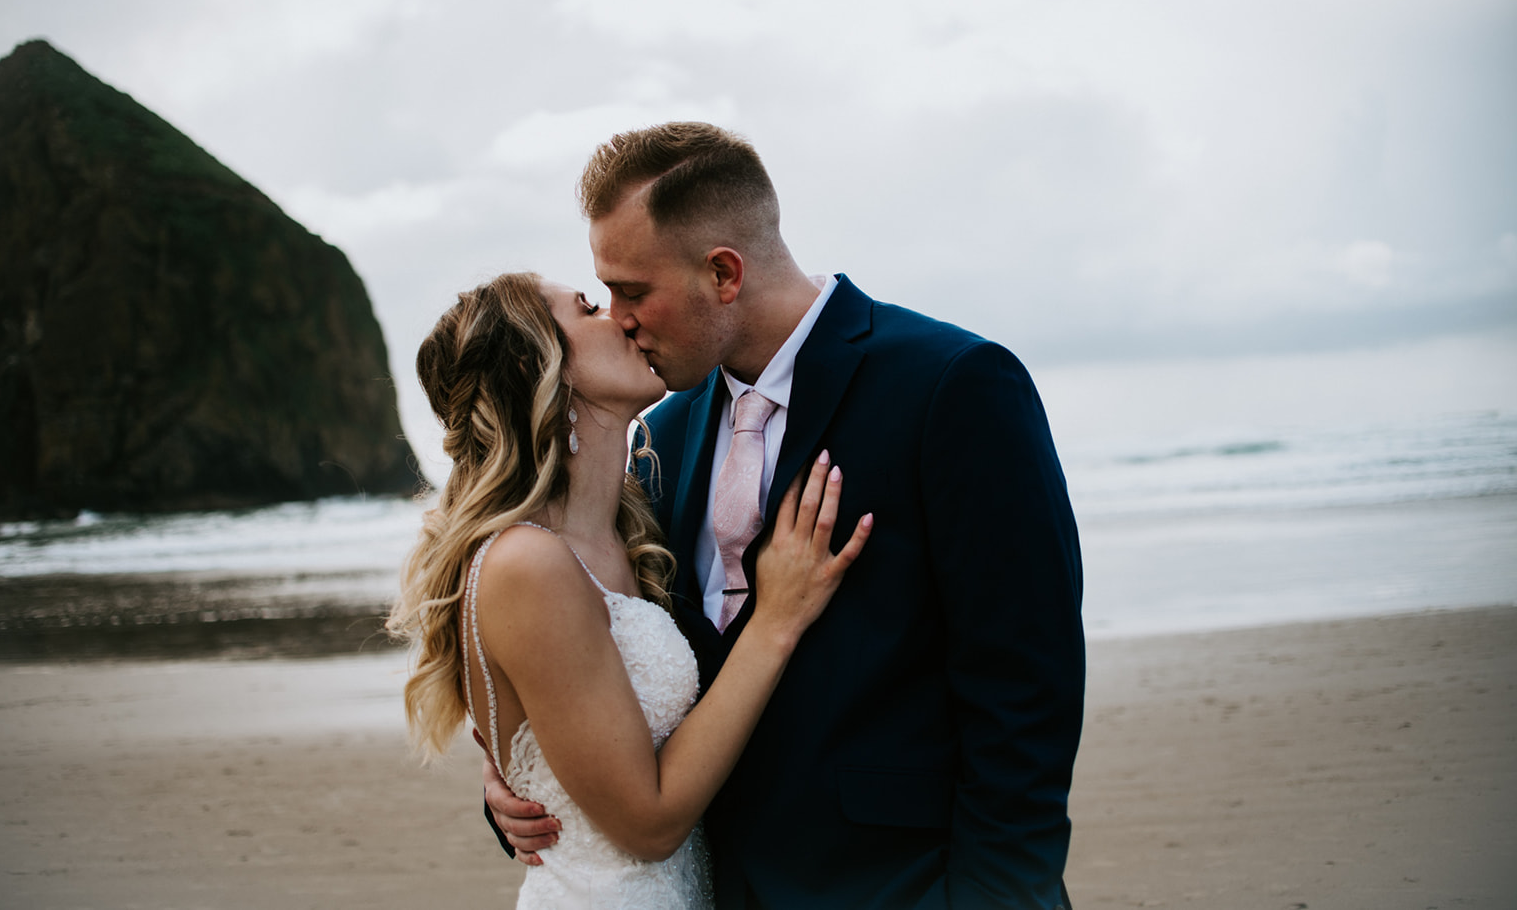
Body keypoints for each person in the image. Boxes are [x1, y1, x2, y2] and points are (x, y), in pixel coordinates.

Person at [486, 123, 1085, 908]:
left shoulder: (951, 387)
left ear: (723, 273)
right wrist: (528, 792)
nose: (622, 319)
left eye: (634, 291)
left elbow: (1025, 692)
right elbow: (612, 676)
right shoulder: (661, 435)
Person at [389, 271, 872, 908]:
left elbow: (591, 720)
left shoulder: (635, 521)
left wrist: (526, 763)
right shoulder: (525, 563)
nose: (620, 318)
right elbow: (647, 824)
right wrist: (776, 621)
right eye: (589, 308)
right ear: (542, 369)